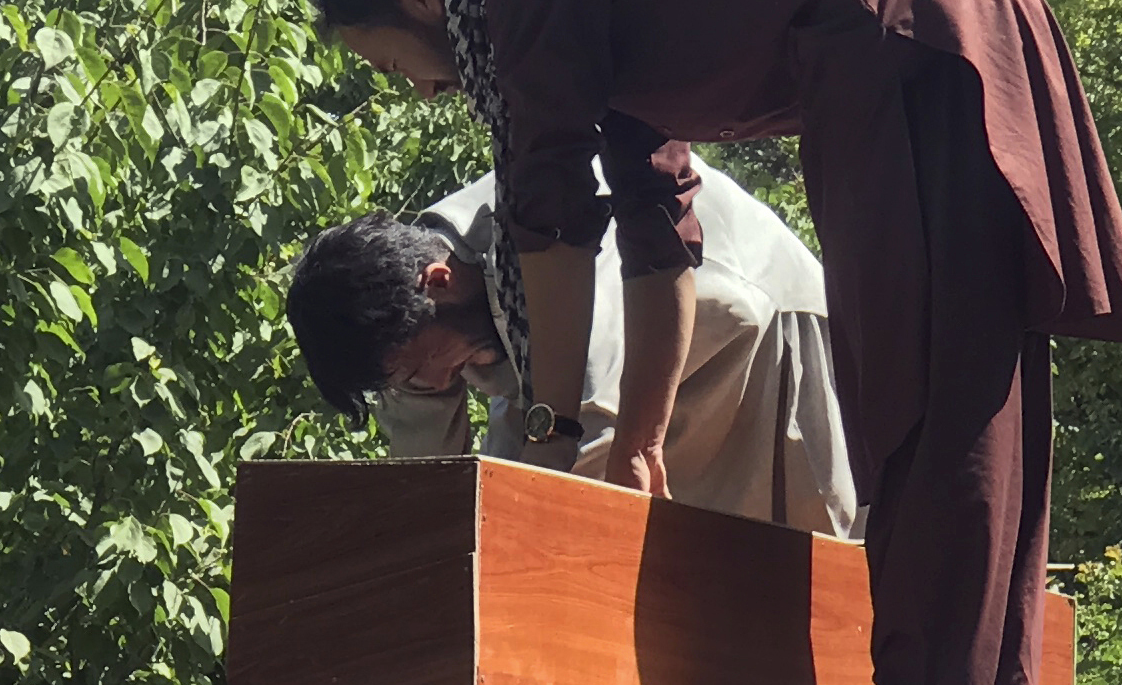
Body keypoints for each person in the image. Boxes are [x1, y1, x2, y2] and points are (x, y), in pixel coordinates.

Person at [310, 0, 1122, 685]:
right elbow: (657, 228)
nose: (420, 90)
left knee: (926, 407)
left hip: (910, 36)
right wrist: (638, 440)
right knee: (964, 409)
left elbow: (549, 223)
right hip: (920, 42)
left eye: (388, 62)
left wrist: (552, 438)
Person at [284, 165, 860, 536]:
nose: (432, 386)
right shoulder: (402, 324)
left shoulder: (547, 223)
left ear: (438, 283)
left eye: (417, 370)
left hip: (768, 350)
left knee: (810, 586)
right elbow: (424, 495)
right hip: (640, 403)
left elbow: (595, 429)